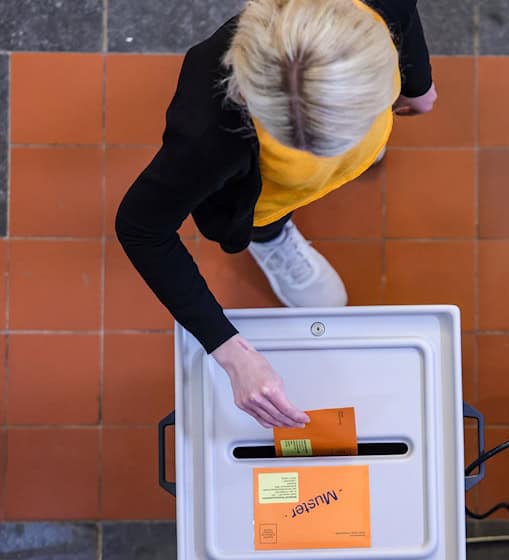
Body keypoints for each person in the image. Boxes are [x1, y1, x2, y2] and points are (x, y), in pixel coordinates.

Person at [115, 0, 437, 429]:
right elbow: (141, 227)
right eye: (302, 140)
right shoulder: (209, 131)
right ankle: (271, 237)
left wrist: (418, 84)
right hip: (269, 190)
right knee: (261, 215)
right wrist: (230, 351)